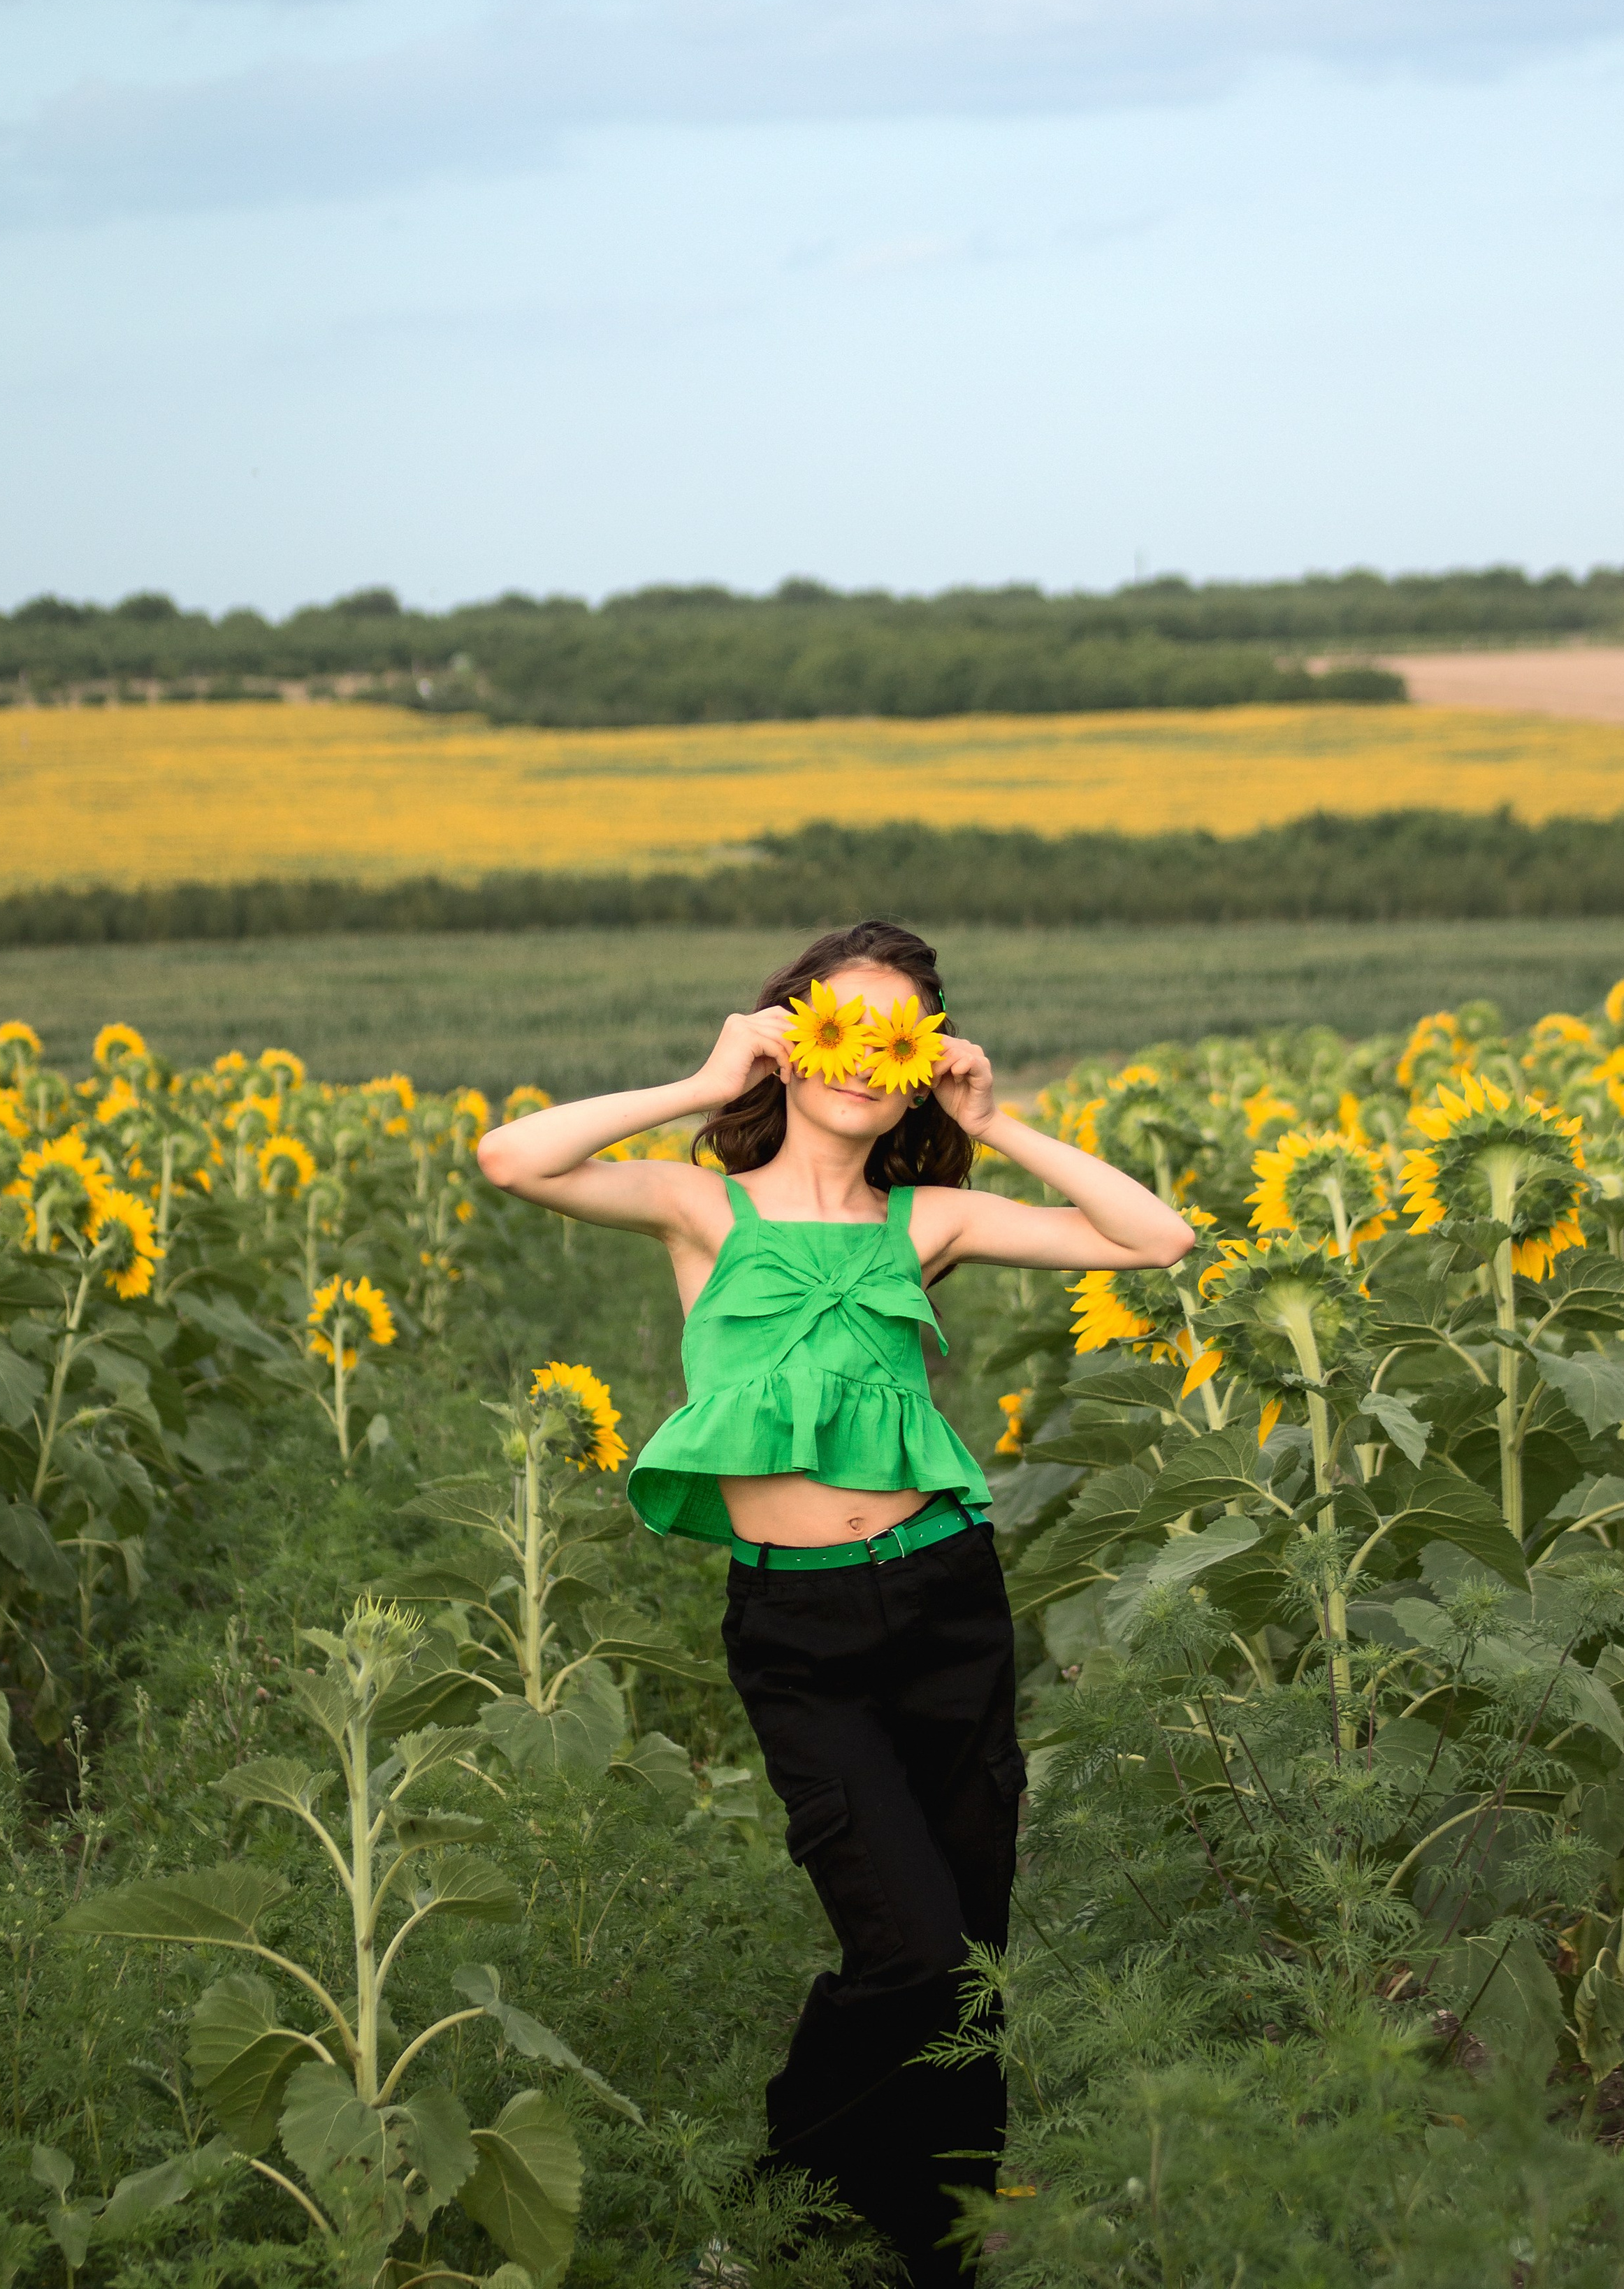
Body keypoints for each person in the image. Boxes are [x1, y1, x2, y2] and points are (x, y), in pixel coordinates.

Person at [477, 919, 1191, 2284]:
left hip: (943, 1605)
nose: (864, 1055)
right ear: (784, 1037)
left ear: (923, 1066)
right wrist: (704, 1080)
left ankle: (942, 2246)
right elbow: (514, 1157)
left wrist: (1001, 1121)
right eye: (836, 1025)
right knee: (906, 1951)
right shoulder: (705, 1206)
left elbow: (1154, 1240)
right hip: (799, 1634)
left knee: (965, 1964)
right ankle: (769, 2214)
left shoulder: (928, 1222)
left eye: (898, 1036)